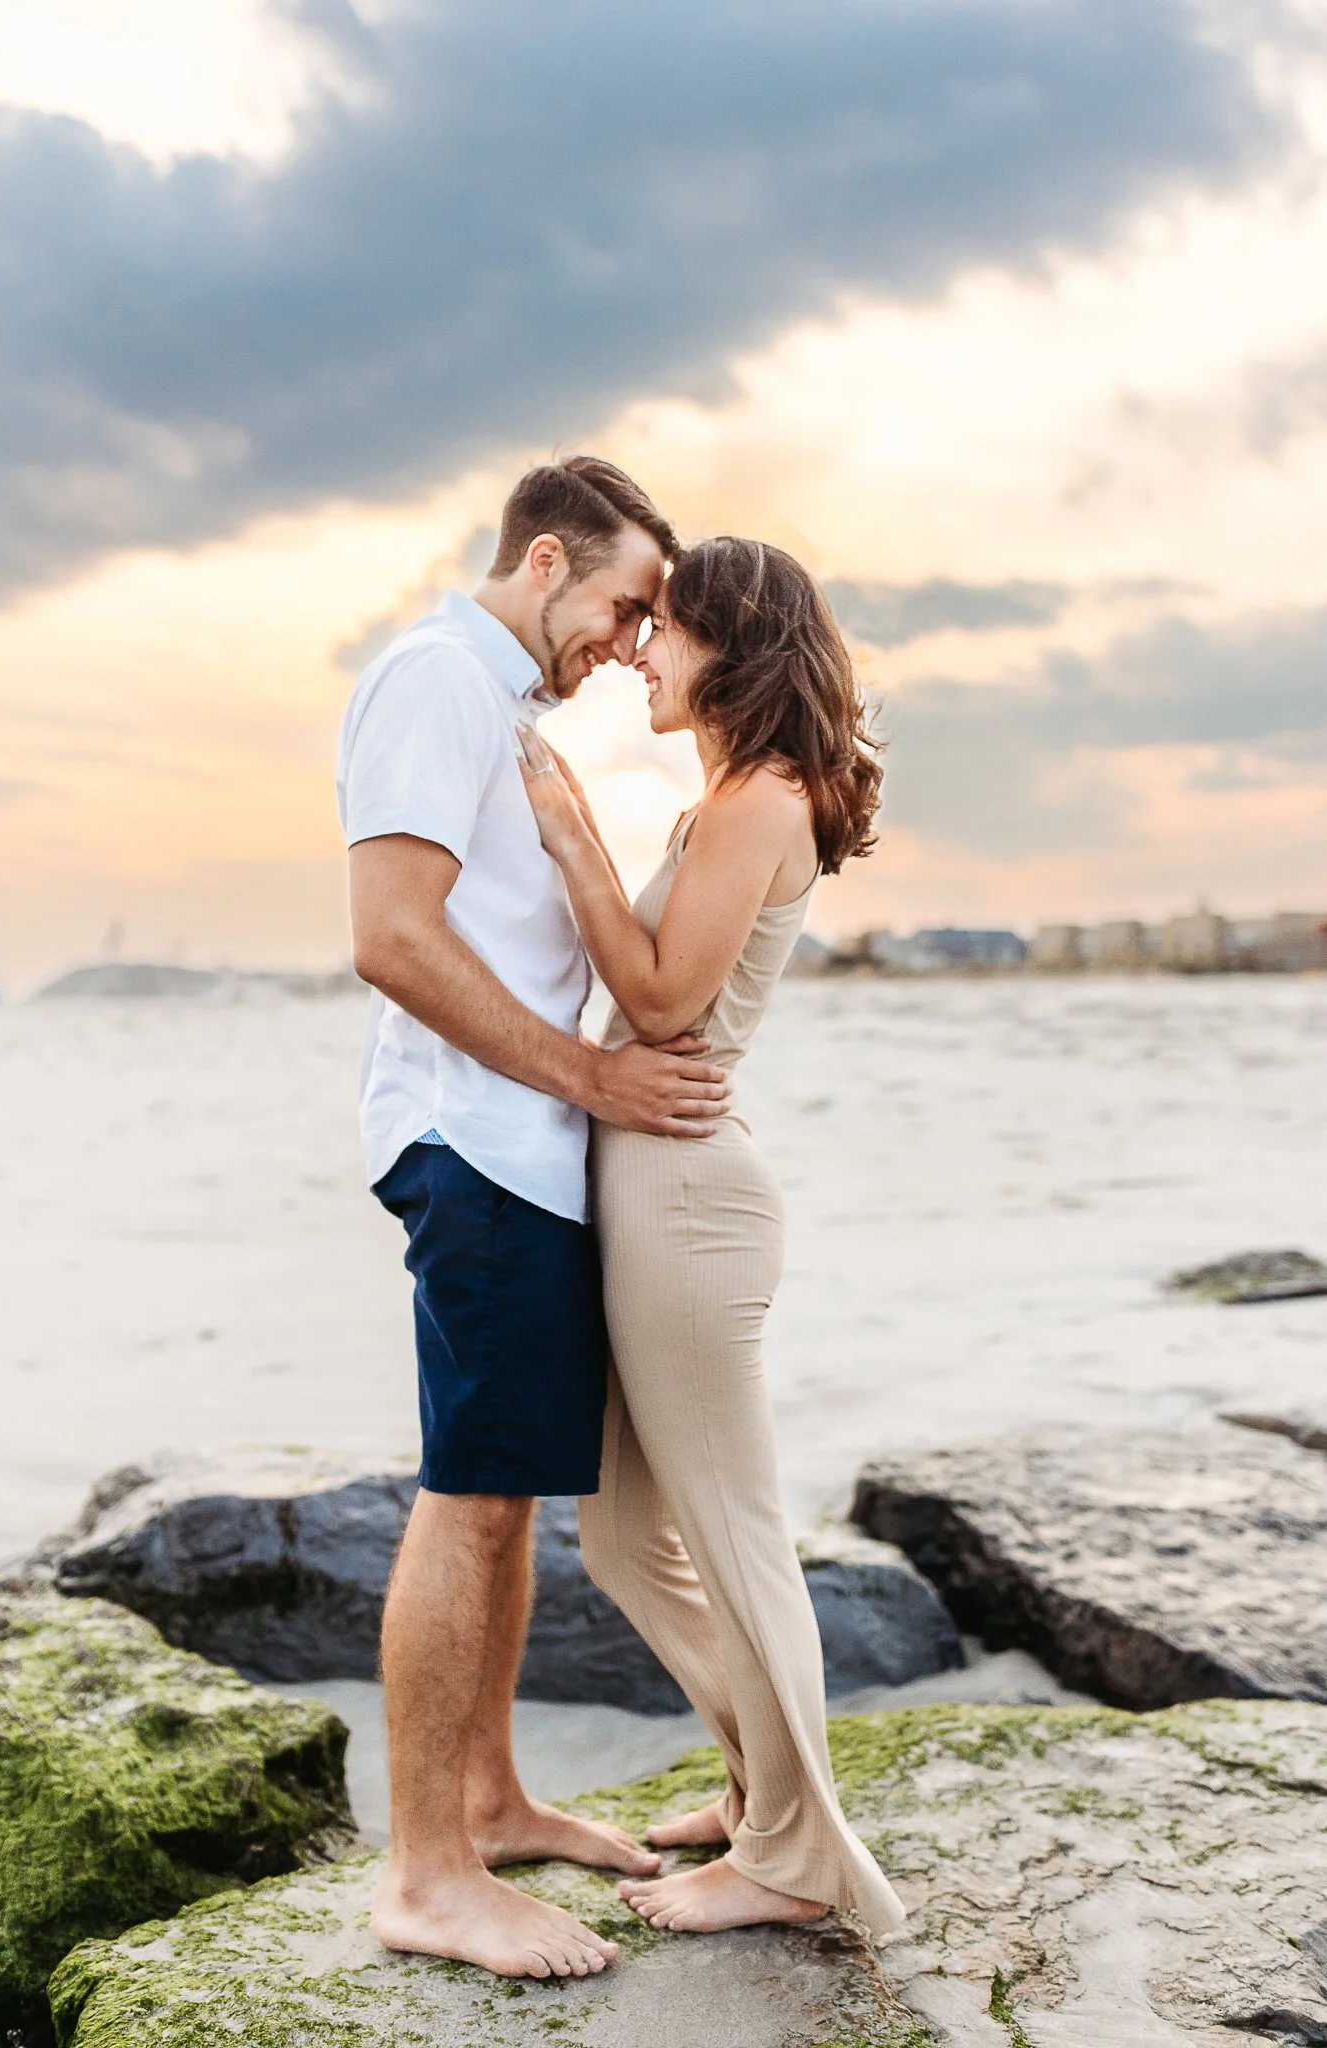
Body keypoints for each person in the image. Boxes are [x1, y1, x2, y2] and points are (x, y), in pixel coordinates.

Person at [339, 456, 733, 1982]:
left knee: (506, 1487)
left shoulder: (496, 707)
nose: (633, 643)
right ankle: (427, 1874)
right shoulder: (436, 680)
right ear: (549, 557)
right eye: (627, 605)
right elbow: (389, 937)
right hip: (475, 1140)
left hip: (519, 1144)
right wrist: (591, 1078)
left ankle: (489, 1801)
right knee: (474, 1494)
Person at [517, 535, 907, 1940]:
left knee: (734, 1536)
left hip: (690, 1198)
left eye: (667, 629)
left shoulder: (760, 797)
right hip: (655, 1186)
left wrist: (569, 838)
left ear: (736, 645)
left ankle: (802, 1859)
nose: (640, 652)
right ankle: (764, 1796)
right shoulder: (724, 800)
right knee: (625, 1541)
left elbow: (669, 1009)